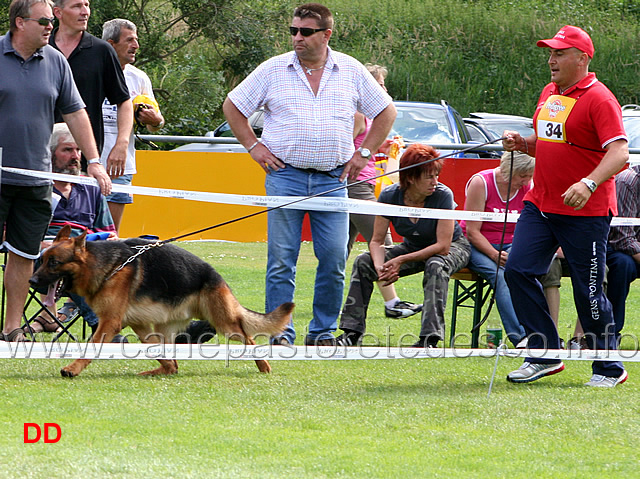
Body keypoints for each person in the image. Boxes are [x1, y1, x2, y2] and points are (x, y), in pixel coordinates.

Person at [222, 3, 396, 346]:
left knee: (333, 260)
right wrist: (253, 146)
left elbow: (386, 112)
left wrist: (364, 153)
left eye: (305, 32)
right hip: (284, 177)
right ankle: (280, 333)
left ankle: (322, 333)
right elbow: (233, 105)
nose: (297, 38)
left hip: (333, 180)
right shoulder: (272, 70)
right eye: (293, 31)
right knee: (281, 262)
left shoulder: (350, 69)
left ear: (326, 34)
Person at [503, 25, 629, 387]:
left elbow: (618, 153)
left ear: (582, 58)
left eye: (559, 53)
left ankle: (609, 367)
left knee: (588, 292)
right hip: (540, 205)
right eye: (550, 53)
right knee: (518, 270)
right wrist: (522, 143)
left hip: (585, 213)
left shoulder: (600, 98)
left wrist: (589, 182)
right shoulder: (549, 93)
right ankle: (544, 354)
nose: (551, 60)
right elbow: (550, 143)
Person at [0, 0, 110, 342]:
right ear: (20, 22)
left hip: (36, 180)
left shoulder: (56, 61)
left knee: (24, 255)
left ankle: (12, 328)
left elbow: (76, 113)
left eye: (51, 20)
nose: (51, 26)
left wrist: (93, 160)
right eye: (44, 20)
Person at [336, 143, 471, 347]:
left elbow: (443, 246)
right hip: (414, 246)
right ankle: (351, 333)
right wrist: (381, 267)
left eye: (436, 175)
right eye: (429, 176)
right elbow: (377, 240)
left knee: (436, 264)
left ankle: (429, 338)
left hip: (453, 246)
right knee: (364, 261)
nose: (435, 182)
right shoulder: (390, 196)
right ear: (410, 177)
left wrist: (401, 260)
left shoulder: (443, 195)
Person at [25, 123, 127, 342]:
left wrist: (109, 241)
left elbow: (110, 234)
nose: (75, 156)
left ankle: (171, 321)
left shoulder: (90, 188)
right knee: (73, 265)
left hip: (90, 254)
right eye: (67, 150)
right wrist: (43, 244)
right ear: (51, 155)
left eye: (78, 150)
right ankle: (101, 326)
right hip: (43, 258)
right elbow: (12, 234)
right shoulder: (35, 187)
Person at [349, 63, 422, 320]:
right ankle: (393, 304)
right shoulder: (358, 115)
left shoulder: (370, 117)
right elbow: (344, 149)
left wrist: (380, 149)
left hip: (363, 184)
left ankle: (335, 303)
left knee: (340, 251)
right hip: (355, 188)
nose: (384, 89)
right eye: (380, 84)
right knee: (382, 243)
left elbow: (360, 149)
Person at [50, 0, 133, 177]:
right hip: (40, 155)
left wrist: (121, 144)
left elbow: (124, 101)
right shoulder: (41, 47)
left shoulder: (102, 51)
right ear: (58, 12)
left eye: (87, 5)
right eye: (77, 6)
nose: (85, 12)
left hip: (85, 160)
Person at [460, 151, 534, 347]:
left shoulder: (528, 186)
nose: (526, 181)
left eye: (529, 176)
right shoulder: (480, 183)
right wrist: (494, 255)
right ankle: (519, 337)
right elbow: (472, 232)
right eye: (522, 176)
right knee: (501, 277)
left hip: (511, 244)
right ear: (508, 170)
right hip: (477, 244)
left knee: (527, 275)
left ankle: (537, 332)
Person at [101, 18, 165, 233]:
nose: (136, 45)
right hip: (84, 164)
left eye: (136, 40)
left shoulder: (139, 78)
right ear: (111, 44)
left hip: (121, 167)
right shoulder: (88, 70)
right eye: (129, 40)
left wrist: (155, 121)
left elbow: (156, 123)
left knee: (110, 237)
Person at [606, 164, 640, 341]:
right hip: (618, 248)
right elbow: (622, 238)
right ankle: (611, 333)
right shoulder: (627, 182)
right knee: (621, 265)